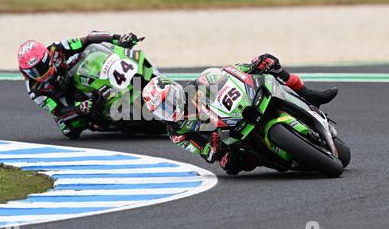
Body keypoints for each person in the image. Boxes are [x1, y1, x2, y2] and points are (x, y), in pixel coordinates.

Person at [142, 53, 339, 175]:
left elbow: (232, 73)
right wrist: (214, 147)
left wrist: (253, 66)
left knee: (268, 60)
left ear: (174, 90)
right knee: (232, 165)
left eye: (166, 103)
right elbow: (203, 152)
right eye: (161, 110)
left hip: (244, 107)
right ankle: (277, 158)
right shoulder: (177, 132)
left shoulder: (200, 82)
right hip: (230, 138)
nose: (167, 110)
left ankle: (308, 95)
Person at [17, 31, 140, 139]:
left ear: (47, 57)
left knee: (92, 51)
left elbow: (88, 39)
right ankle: (103, 119)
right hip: (65, 98)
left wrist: (118, 38)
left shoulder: (56, 49)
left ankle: (122, 78)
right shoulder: (35, 91)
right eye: (33, 71)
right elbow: (58, 110)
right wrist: (78, 108)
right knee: (71, 129)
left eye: (41, 67)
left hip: (73, 74)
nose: (39, 73)